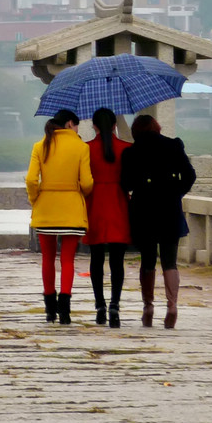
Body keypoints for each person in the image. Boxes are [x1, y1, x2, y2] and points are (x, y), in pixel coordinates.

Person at [120, 115, 196, 329]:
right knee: (170, 260)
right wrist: (176, 193)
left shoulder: (131, 152)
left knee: (148, 260)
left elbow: (126, 183)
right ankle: (172, 306)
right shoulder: (173, 145)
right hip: (169, 209)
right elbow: (190, 175)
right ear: (156, 127)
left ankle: (148, 307)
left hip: (143, 210)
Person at [25, 109, 93, 325]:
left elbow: (30, 180)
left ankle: (49, 309)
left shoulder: (40, 146)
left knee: (47, 258)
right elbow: (87, 183)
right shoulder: (81, 147)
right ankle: (65, 310)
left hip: (46, 208)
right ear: (69, 124)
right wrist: (80, 193)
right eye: (77, 125)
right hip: (71, 209)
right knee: (67, 259)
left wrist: (35, 198)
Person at [84, 107, 132, 328]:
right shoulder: (126, 149)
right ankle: (115, 304)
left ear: (93, 125)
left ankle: (100, 305)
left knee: (96, 258)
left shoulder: (85, 150)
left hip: (94, 204)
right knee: (117, 260)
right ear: (114, 125)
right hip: (119, 203)